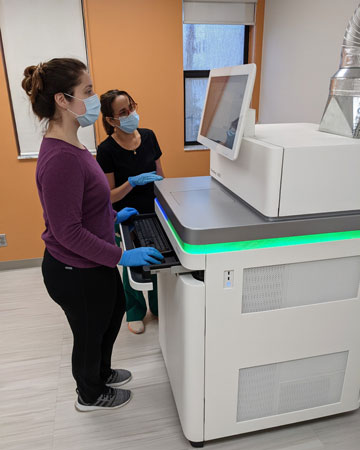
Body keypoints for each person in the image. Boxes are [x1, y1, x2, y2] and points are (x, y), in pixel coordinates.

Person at [21, 58, 164, 412]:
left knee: (112, 313)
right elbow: (66, 231)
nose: (94, 97)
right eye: (87, 91)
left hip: (92, 260)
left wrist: (113, 216)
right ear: (62, 100)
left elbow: (85, 205)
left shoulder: (75, 146)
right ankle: (89, 394)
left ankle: (101, 372)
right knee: (89, 332)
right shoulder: (61, 159)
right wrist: (121, 256)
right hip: (73, 269)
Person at [96, 89, 164, 335]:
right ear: (111, 120)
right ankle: (134, 312)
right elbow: (108, 196)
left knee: (157, 258)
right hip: (124, 214)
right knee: (132, 264)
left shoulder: (148, 137)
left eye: (131, 108)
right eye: (122, 112)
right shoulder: (106, 150)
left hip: (153, 211)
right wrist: (132, 183)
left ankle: (158, 307)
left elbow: (161, 176)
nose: (130, 114)